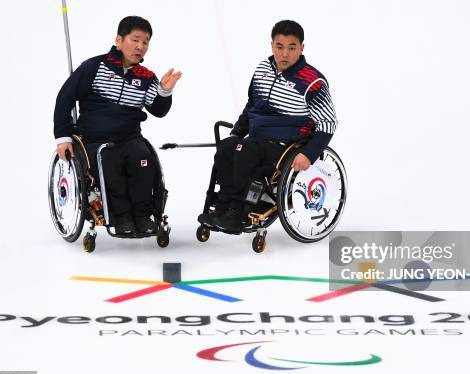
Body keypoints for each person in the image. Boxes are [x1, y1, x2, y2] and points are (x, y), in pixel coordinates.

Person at [198, 20, 338, 232]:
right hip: (255, 139)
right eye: (279, 47)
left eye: (292, 48)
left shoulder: (313, 81)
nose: (285, 54)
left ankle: (237, 213)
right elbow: (252, 105)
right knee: (226, 149)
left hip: (287, 144)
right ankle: (222, 207)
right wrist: (236, 132)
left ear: (301, 48)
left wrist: (309, 154)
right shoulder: (263, 68)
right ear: (272, 45)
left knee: (245, 151)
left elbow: (328, 123)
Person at [53, 16, 182, 234]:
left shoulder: (146, 77)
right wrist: (63, 138)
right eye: (135, 40)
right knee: (109, 158)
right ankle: (121, 218)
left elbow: (159, 111)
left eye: (146, 42)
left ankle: (142, 216)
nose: (140, 47)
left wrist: (164, 91)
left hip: (130, 138)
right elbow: (65, 99)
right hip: (95, 139)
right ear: (119, 40)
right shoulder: (94, 67)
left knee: (143, 157)